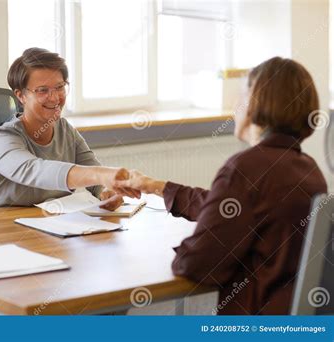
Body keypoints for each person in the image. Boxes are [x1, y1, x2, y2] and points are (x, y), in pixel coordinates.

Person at [116, 57, 327, 314]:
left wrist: (180, 246)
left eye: (242, 95)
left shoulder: (245, 168)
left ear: (255, 104)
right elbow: (236, 208)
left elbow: (194, 265)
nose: (235, 105)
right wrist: (158, 186)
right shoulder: (309, 169)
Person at [0, 48, 137, 209]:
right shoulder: (1, 140)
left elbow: (95, 181)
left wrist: (107, 191)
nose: (55, 98)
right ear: (21, 96)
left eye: (59, 87)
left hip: (53, 225)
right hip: (4, 230)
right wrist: (103, 174)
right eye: (42, 90)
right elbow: (36, 171)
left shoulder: (65, 130)